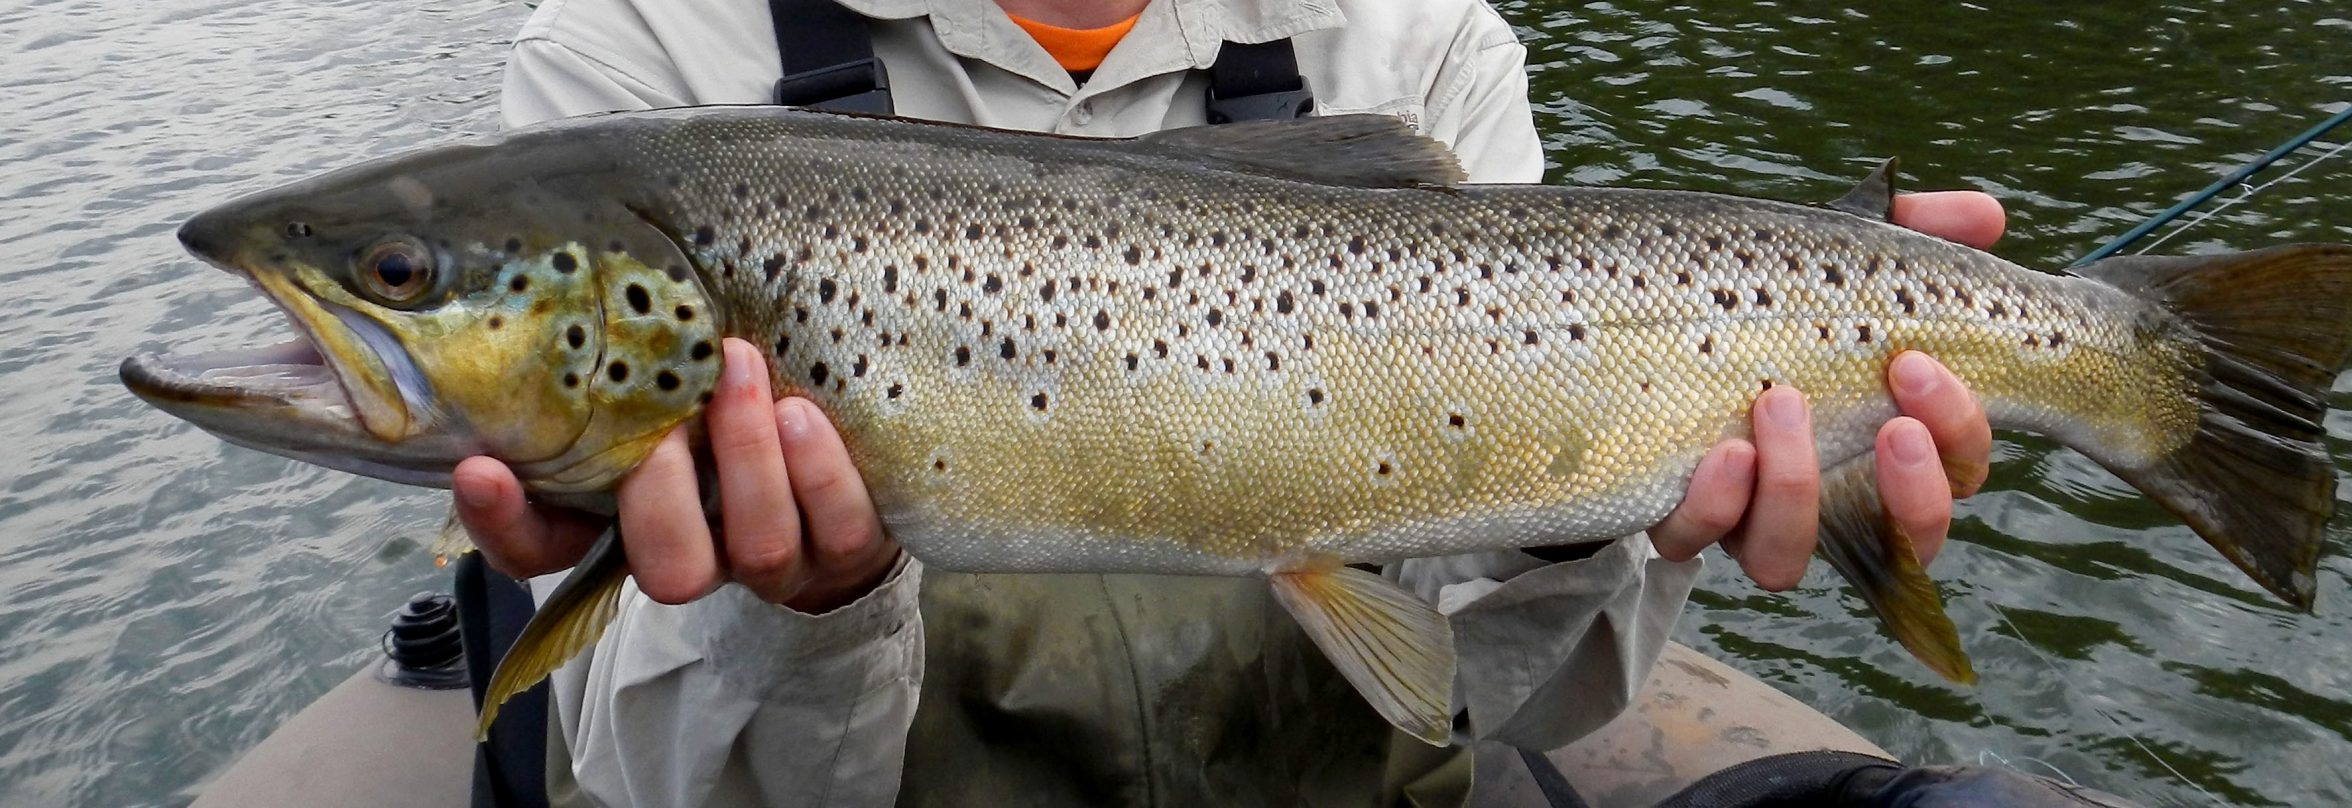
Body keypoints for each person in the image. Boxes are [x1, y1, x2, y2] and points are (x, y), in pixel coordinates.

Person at [453, 0, 2007, 804]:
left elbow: (1488, 702)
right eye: (408, 279)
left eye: (404, 278)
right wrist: (805, 606)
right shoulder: (639, 60)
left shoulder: (1420, 39)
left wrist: (1569, 534)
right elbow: (658, 785)